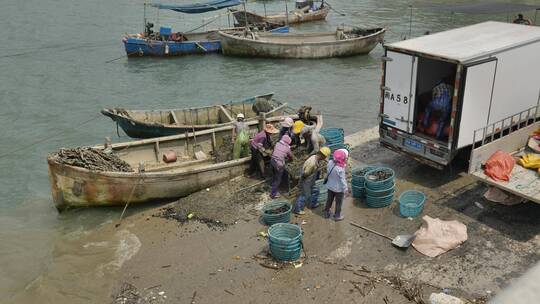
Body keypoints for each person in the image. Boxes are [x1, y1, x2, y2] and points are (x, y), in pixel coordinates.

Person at [294, 147, 331, 215]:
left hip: (311, 180)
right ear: (322, 155)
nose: (324, 158)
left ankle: (312, 204)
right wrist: (304, 183)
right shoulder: (312, 163)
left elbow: (323, 160)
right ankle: (297, 209)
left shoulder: (315, 157)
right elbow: (305, 173)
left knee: (316, 190)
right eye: (324, 157)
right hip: (306, 180)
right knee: (304, 195)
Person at [323, 149, 349, 221]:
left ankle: (326, 212)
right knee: (338, 202)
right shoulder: (340, 169)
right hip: (338, 189)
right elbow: (343, 180)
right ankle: (337, 216)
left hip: (330, 186)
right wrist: (346, 189)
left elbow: (327, 172)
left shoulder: (330, 163)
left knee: (329, 200)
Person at [270, 134, 294, 199]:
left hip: (272, 161)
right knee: (278, 179)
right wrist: (290, 160)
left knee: (274, 175)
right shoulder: (287, 148)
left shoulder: (277, 144)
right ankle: (273, 194)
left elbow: (276, 152)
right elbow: (291, 157)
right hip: (278, 164)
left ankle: (273, 186)